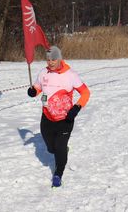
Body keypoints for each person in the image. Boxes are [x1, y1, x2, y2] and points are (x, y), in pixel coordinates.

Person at [27, 46, 90, 187]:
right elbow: (38, 87)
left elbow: (85, 93)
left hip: (65, 119)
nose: (50, 62)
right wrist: (33, 91)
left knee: (60, 148)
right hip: (47, 118)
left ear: (59, 58)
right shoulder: (43, 72)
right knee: (51, 148)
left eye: (53, 59)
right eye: (48, 59)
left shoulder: (70, 75)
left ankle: (58, 174)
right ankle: (61, 151)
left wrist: (77, 107)